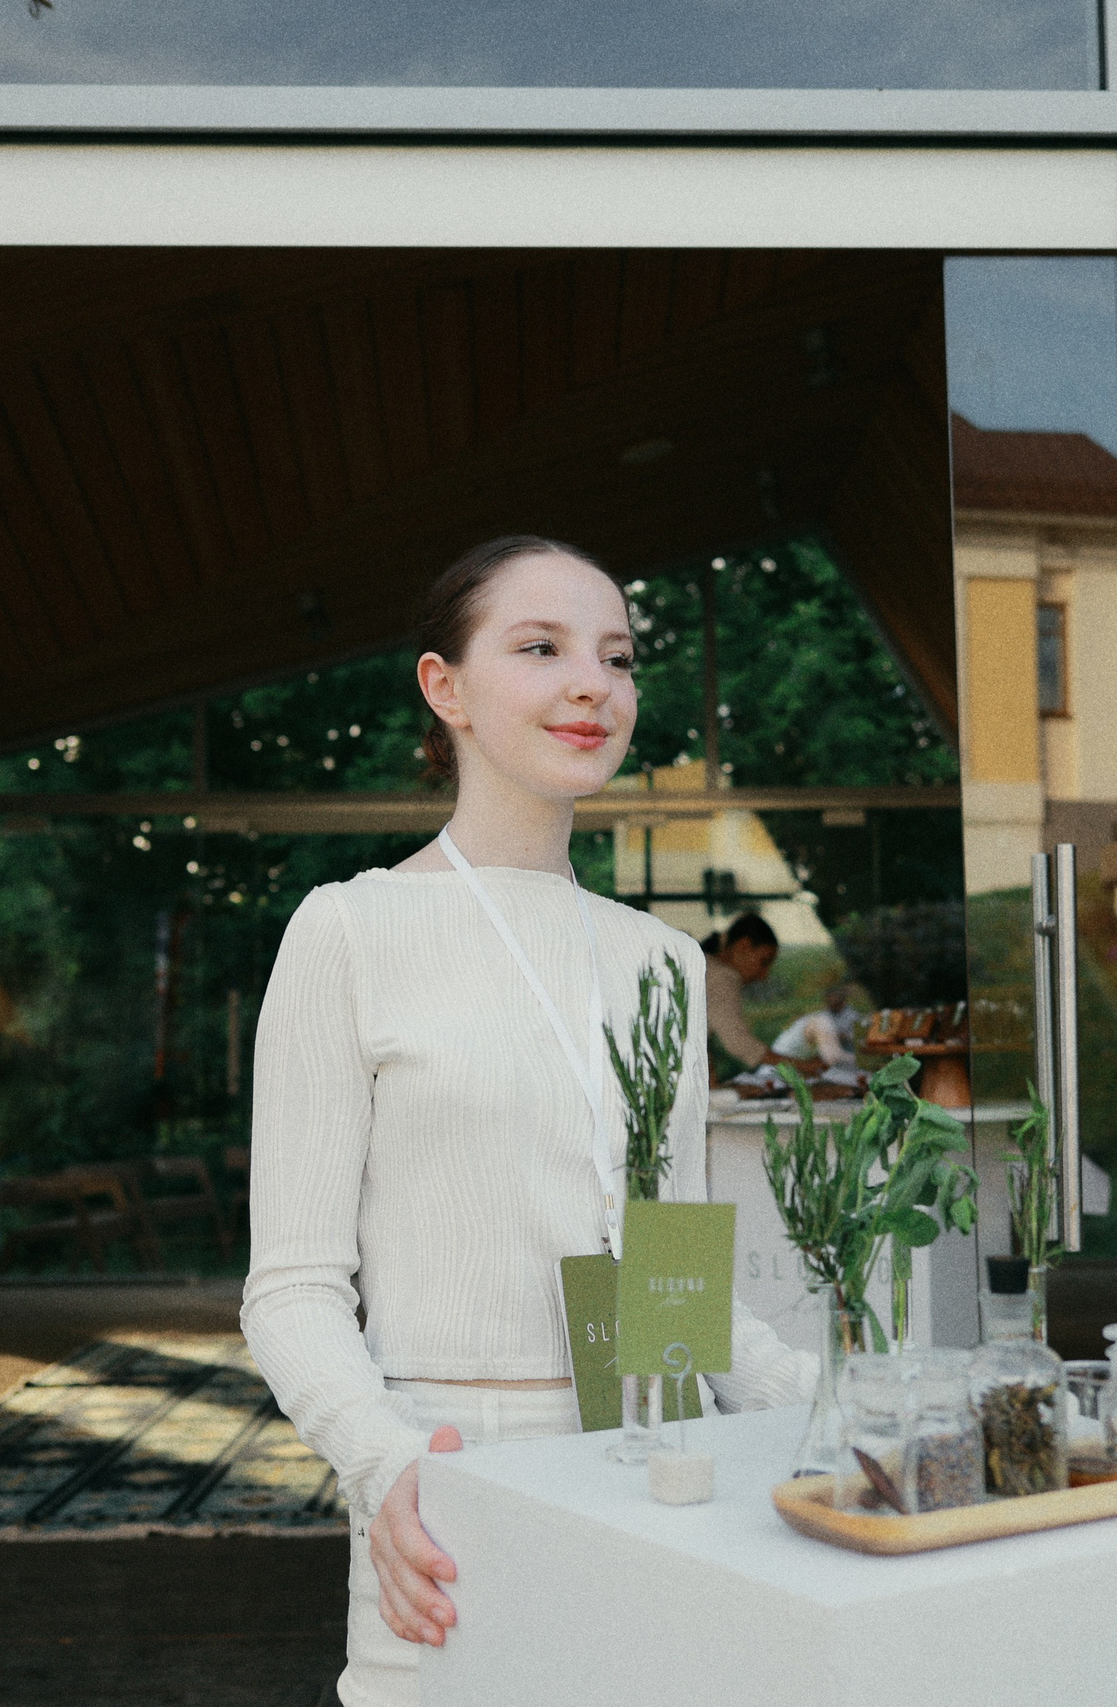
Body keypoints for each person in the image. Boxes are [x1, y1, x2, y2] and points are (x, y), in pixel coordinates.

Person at [240, 537, 815, 1707]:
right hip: (454, 1491)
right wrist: (386, 1463)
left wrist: (839, 1406)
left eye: (618, 656)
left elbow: (678, 1287)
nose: (592, 684)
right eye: (540, 648)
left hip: (661, 1469)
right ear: (444, 687)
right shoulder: (348, 930)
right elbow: (291, 1288)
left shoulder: (660, 960)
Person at [701, 912, 808, 1080]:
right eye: (764, 962)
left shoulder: (706, 966)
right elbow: (739, 1043)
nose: (764, 975)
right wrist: (807, 1066)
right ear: (743, 946)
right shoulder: (722, 977)